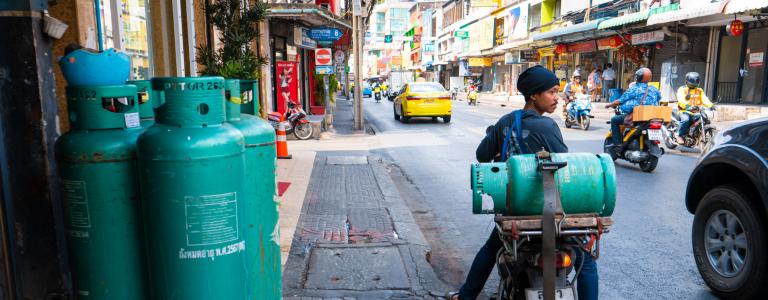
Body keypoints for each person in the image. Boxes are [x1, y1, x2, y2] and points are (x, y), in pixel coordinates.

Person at [446, 66, 599, 300]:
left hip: (515, 210)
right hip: (550, 210)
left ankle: (466, 296)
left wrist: (496, 138)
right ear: (534, 95)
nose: (556, 97)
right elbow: (564, 167)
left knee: (490, 251)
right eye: (551, 92)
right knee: (586, 261)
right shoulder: (547, 126)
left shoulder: (506, 122)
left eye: (557, 91)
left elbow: (482, 156)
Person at [605, 67, 661, 154]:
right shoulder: (654, 89)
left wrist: (609, 104)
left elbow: (620, 100)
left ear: (638, 77)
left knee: (614, 120)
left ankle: (618, 144)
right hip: (651, 117)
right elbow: (659, 98)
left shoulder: (634, 88)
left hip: (637, 116)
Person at [675, 72, 713, 144]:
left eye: (695, 83)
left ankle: (695, 134)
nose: (694, 85)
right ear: (687, 82)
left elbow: (704, 99)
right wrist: (687, 106)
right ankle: (679, 135)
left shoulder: (699, 90)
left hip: (696, 112)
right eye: (692, 83)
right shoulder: (682, 89)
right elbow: (681, 99)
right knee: (686, 120)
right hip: (684, 111)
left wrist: (710, 105)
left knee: (705, 119)